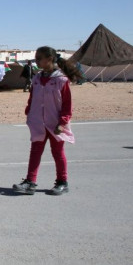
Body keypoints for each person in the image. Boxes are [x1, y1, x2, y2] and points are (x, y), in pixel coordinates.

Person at [12, 46, 84, 196]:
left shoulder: (61, 80)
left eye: (39, 58)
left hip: (55, 123)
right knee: (35, 151)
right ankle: (30, 182)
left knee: (57, 152)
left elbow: (66, 104)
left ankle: (62, 182)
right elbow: (32, 99)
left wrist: (62, 122)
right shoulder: (37, 78)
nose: (36, 61)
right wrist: (29, 113)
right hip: (38, 122)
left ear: (49, 59)